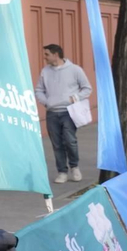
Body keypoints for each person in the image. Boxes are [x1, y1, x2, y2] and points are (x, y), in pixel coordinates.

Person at [35, 43, 92, 183]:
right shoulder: (45, 71)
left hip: (69, 112)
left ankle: (74, 166)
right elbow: (38, 90)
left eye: (47, 54)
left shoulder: (75, 70)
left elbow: (87, 88)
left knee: (70, 140)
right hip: (52, 113)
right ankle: (62, 172)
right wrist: (47, 102)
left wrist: (75, 98)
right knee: (57, 143)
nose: (45, 57)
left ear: (56, 55)